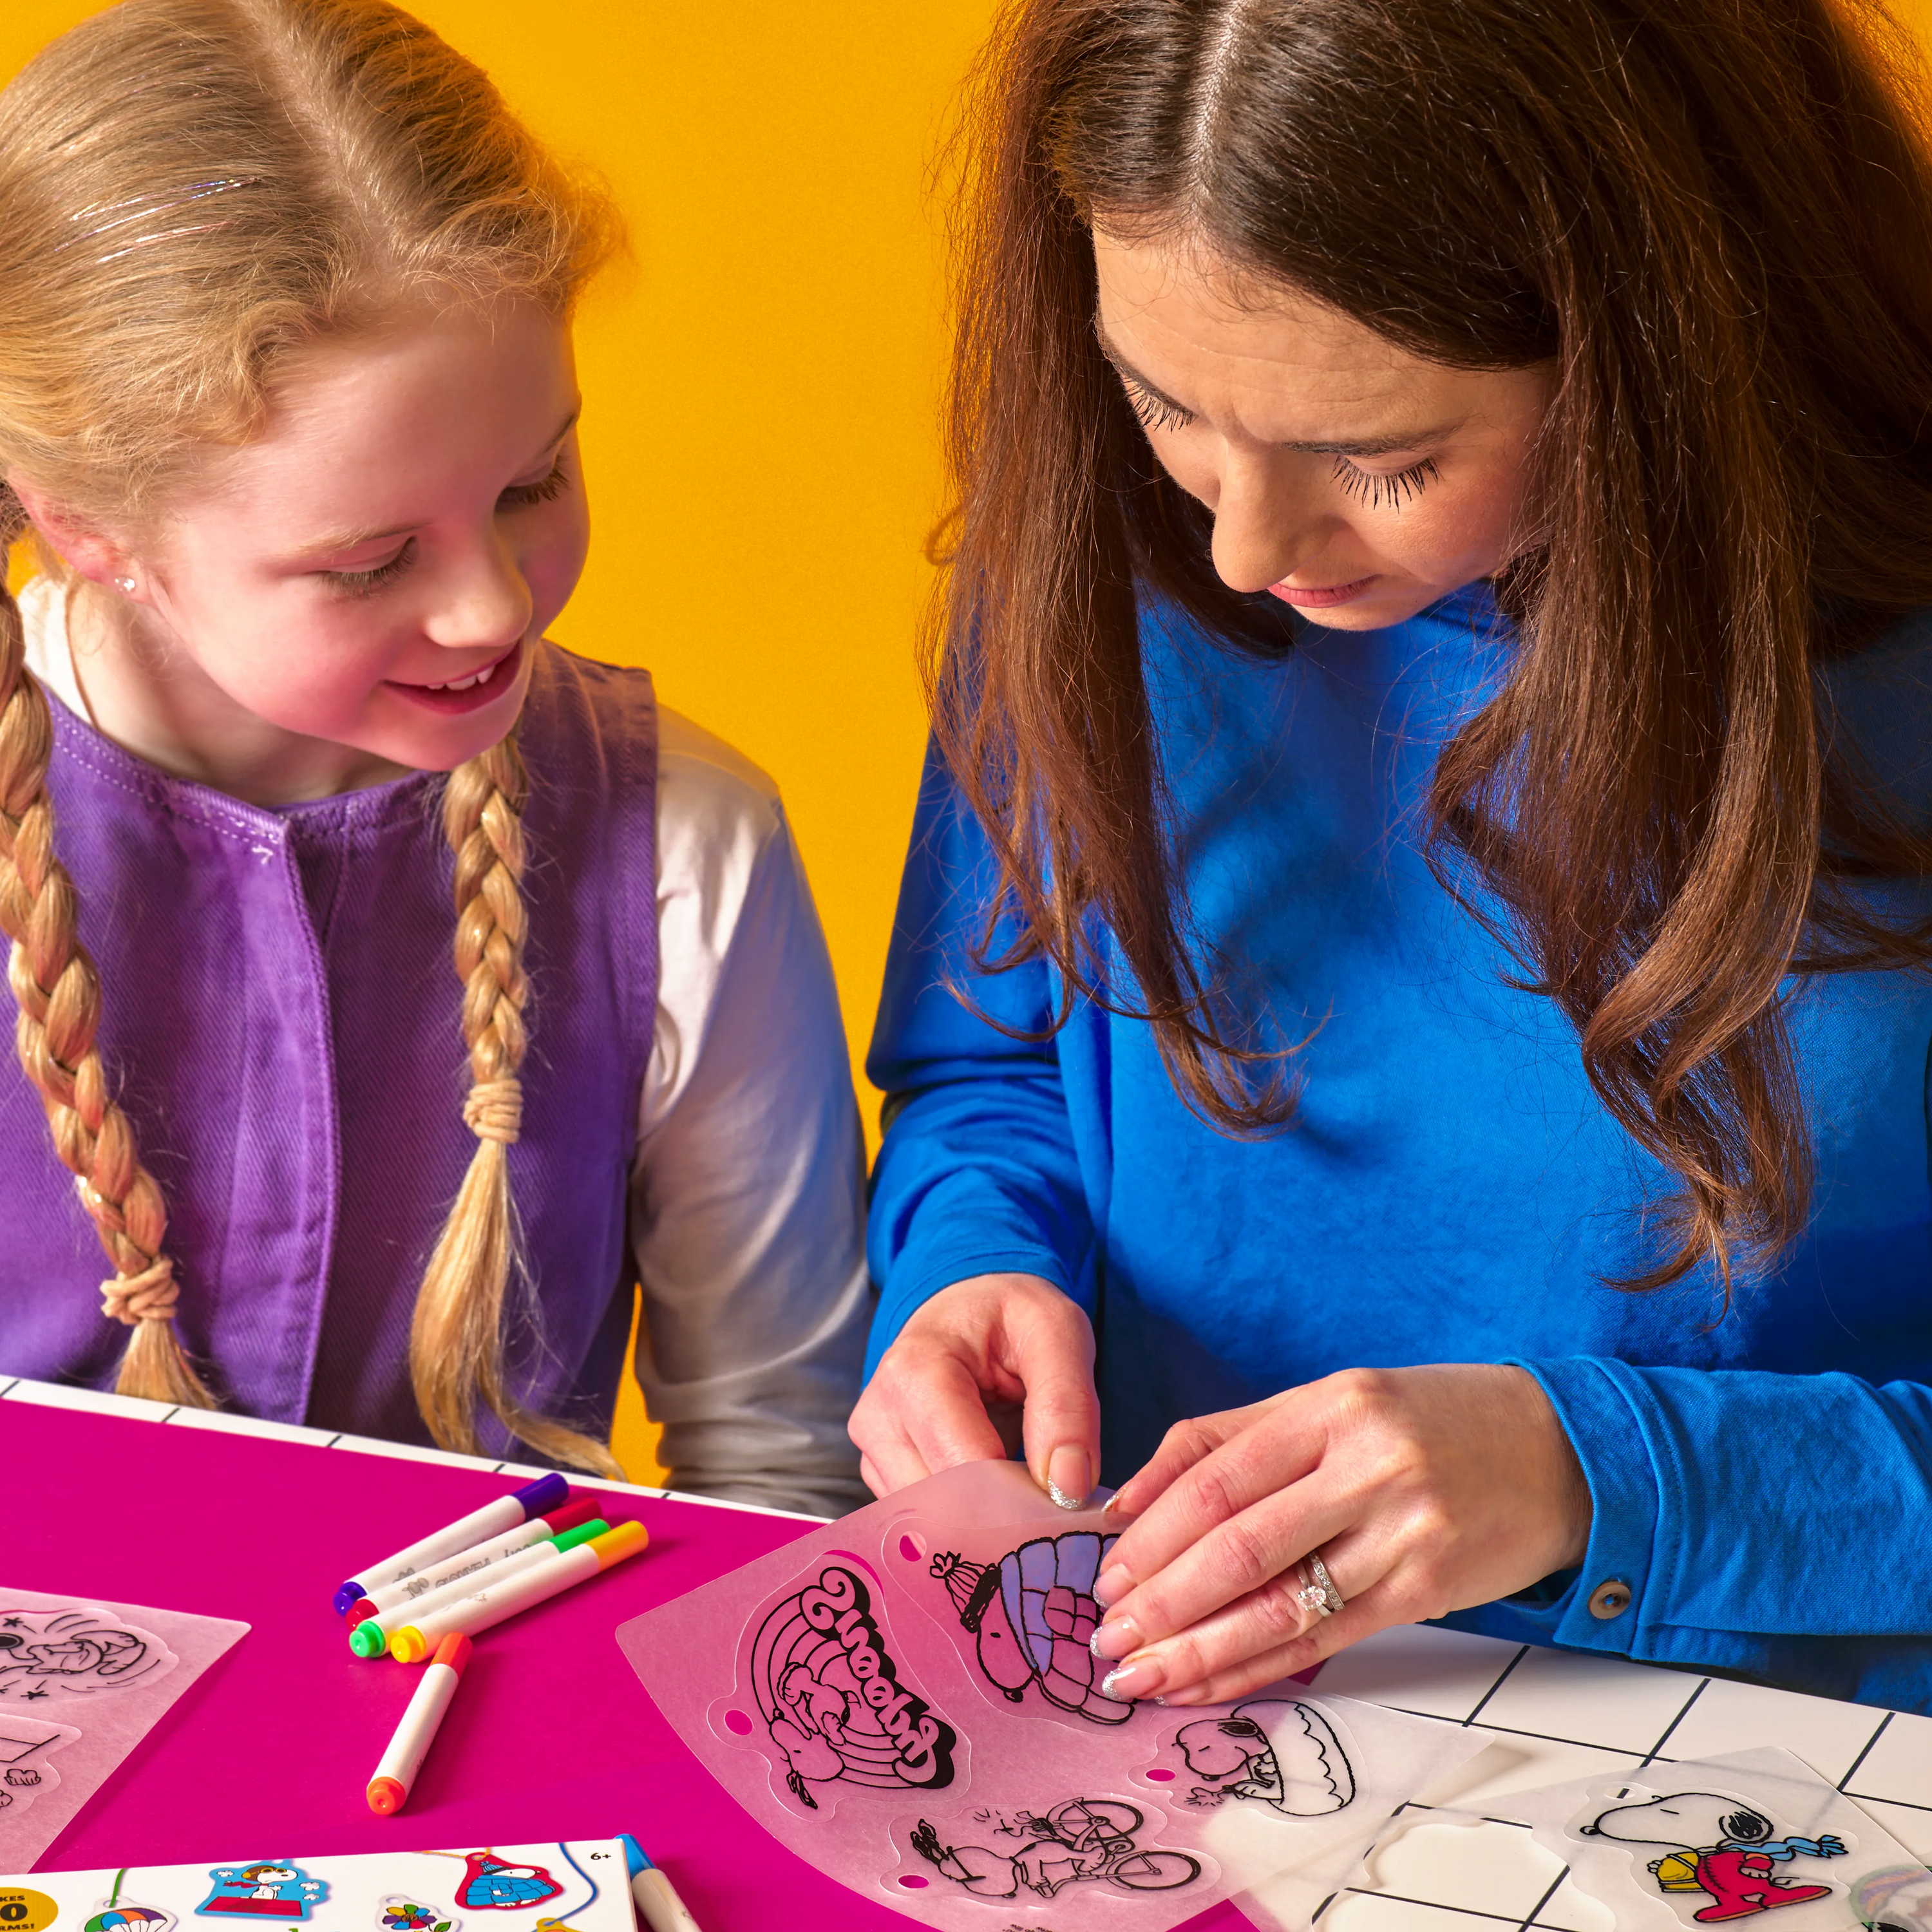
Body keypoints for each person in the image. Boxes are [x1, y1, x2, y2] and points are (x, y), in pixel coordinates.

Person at [853, 0, 1932, 1705]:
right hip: (1201, 1730)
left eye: (1383, 456)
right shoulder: (1101, 563)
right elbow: (994, 1075)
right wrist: (973, 1262)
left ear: (1664, 343)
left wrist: (1600, 1474)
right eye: (1162, 399)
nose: (1242, 541)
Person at [0, 0, 869, 1516]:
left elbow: (778, 1464)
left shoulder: (688, 845)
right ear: (89, 526)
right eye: (369, 557)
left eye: (535, 479)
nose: (490, 605)